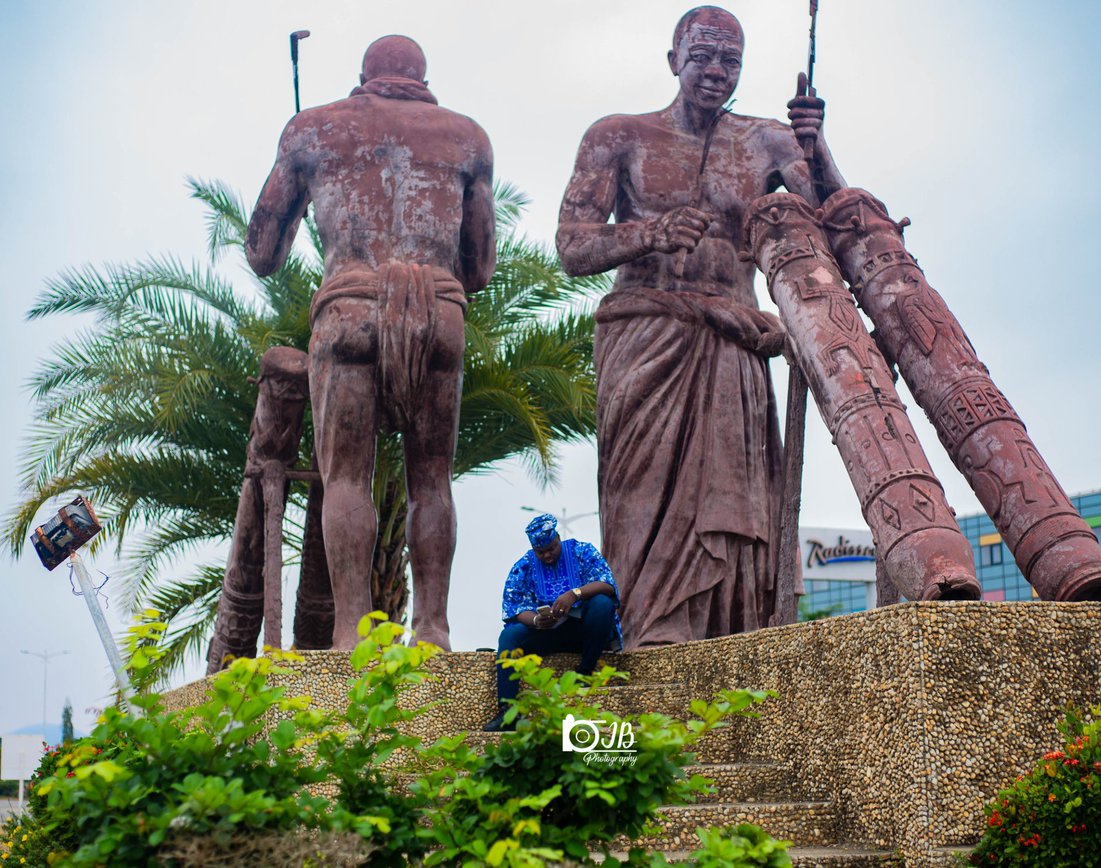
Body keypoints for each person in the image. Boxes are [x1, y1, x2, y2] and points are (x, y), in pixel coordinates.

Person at [555, 6, 846, 647]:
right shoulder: (618, 135)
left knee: (733, 503)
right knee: (639, 492)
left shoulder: (769, 141)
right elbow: (572, 247)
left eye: (731, 61)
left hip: (733, 342)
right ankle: (644, 640)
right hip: (645, 336)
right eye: (703, 57)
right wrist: (650, 232)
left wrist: (817, 149)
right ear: (673, 60)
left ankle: (730, 645)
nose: (717, 71)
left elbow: (835, 227)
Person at [246, 35, 496, 650]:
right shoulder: (469, 138)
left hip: (349, 310)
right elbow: (480, 269)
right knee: (432, 481)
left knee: (348, 478)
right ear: (422, 79)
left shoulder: (312, 129)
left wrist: (305, 201)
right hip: (440, 312)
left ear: (364, 76)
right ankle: (432, 628)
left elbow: (262, 253)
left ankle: (351, 630)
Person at [484, 514, 621, 732]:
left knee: (602, 604)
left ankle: (584, 672)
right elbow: (514, 608)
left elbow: (607, 585)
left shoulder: (582, 551)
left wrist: (575, 594)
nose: (547, 555)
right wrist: (537, 620)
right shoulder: (524, 566)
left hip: (585, 633)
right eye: (541, 552)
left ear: (558, 538)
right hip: (546, 634)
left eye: (551, 548)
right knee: (509, 636)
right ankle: (507, 711)